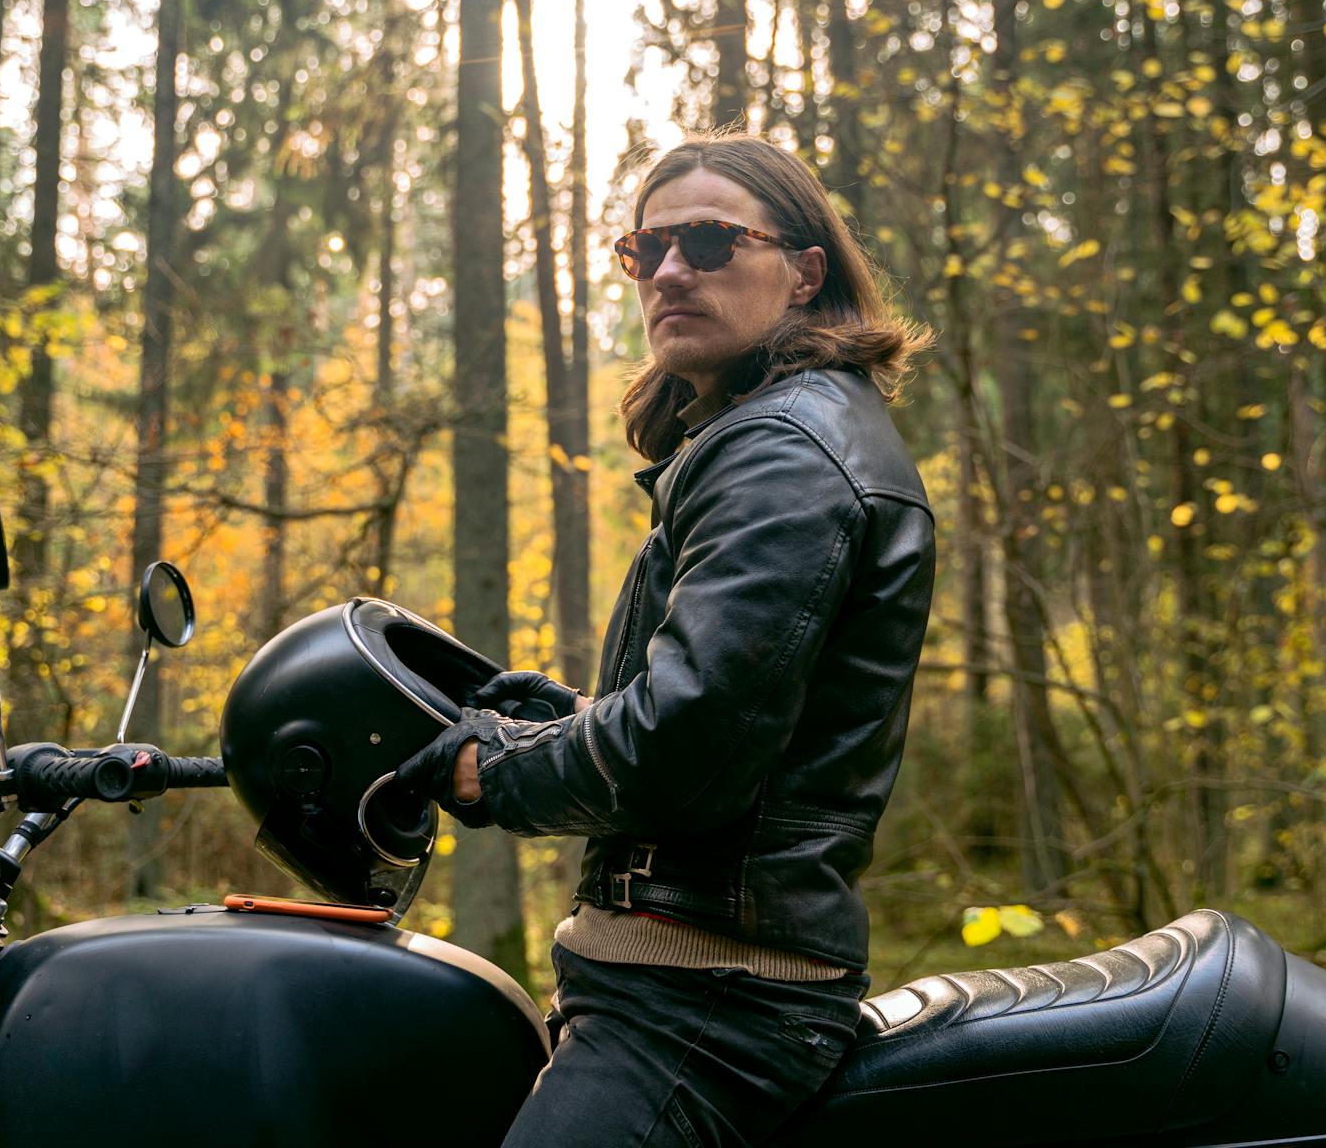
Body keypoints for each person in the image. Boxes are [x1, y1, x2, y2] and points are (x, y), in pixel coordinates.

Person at [395, 132, 936, 1147]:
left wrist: (494, 770)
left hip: (704, 1000)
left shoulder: (782, 450)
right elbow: (740, 711)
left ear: (804, 272)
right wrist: (561, 716)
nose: (672, 270)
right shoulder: (776, 429)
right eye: (648, 249)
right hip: (683, 981)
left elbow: (688, 748)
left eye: (712, 240)